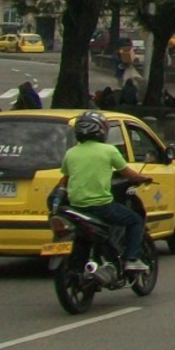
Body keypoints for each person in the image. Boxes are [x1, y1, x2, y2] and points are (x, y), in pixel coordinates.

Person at [52, 111, 152, 274]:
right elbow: (128, 173)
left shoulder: (71, 153)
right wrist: (144, 178)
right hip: (101, 206)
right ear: (102, 130)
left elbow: (65, 179)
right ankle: (131, 259)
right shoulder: (109, 150)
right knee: (135, 221)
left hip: (76, 207)